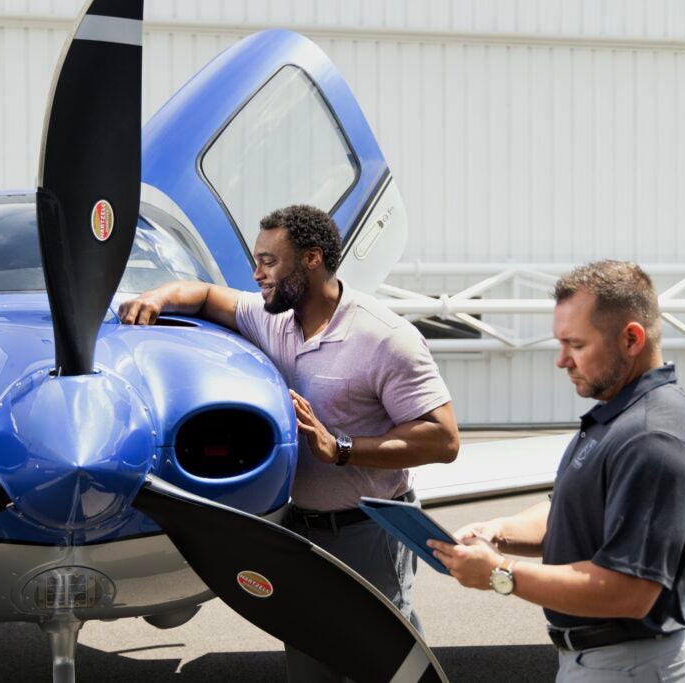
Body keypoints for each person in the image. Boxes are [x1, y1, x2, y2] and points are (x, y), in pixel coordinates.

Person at [119, 203, 459, 681]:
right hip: (296, 532)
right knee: (309, 664)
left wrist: (340, 448)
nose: (257, 274)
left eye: (269, 262)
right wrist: (156, 297)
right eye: (256, 261)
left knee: (382, 666)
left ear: (312, 259)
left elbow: (443, 439)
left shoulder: (385, 338)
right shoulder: (271, 317)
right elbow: (206, 295)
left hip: (368, 532)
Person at [428, 260, 685, 682]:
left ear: (631, 339)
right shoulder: (621, 416)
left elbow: (629, 591)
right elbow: (573, 509)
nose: (562, 360)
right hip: (613, 663)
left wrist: (499, 573)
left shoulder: (652, 438)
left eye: (575, 345)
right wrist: (498, 531)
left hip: (630, 668)